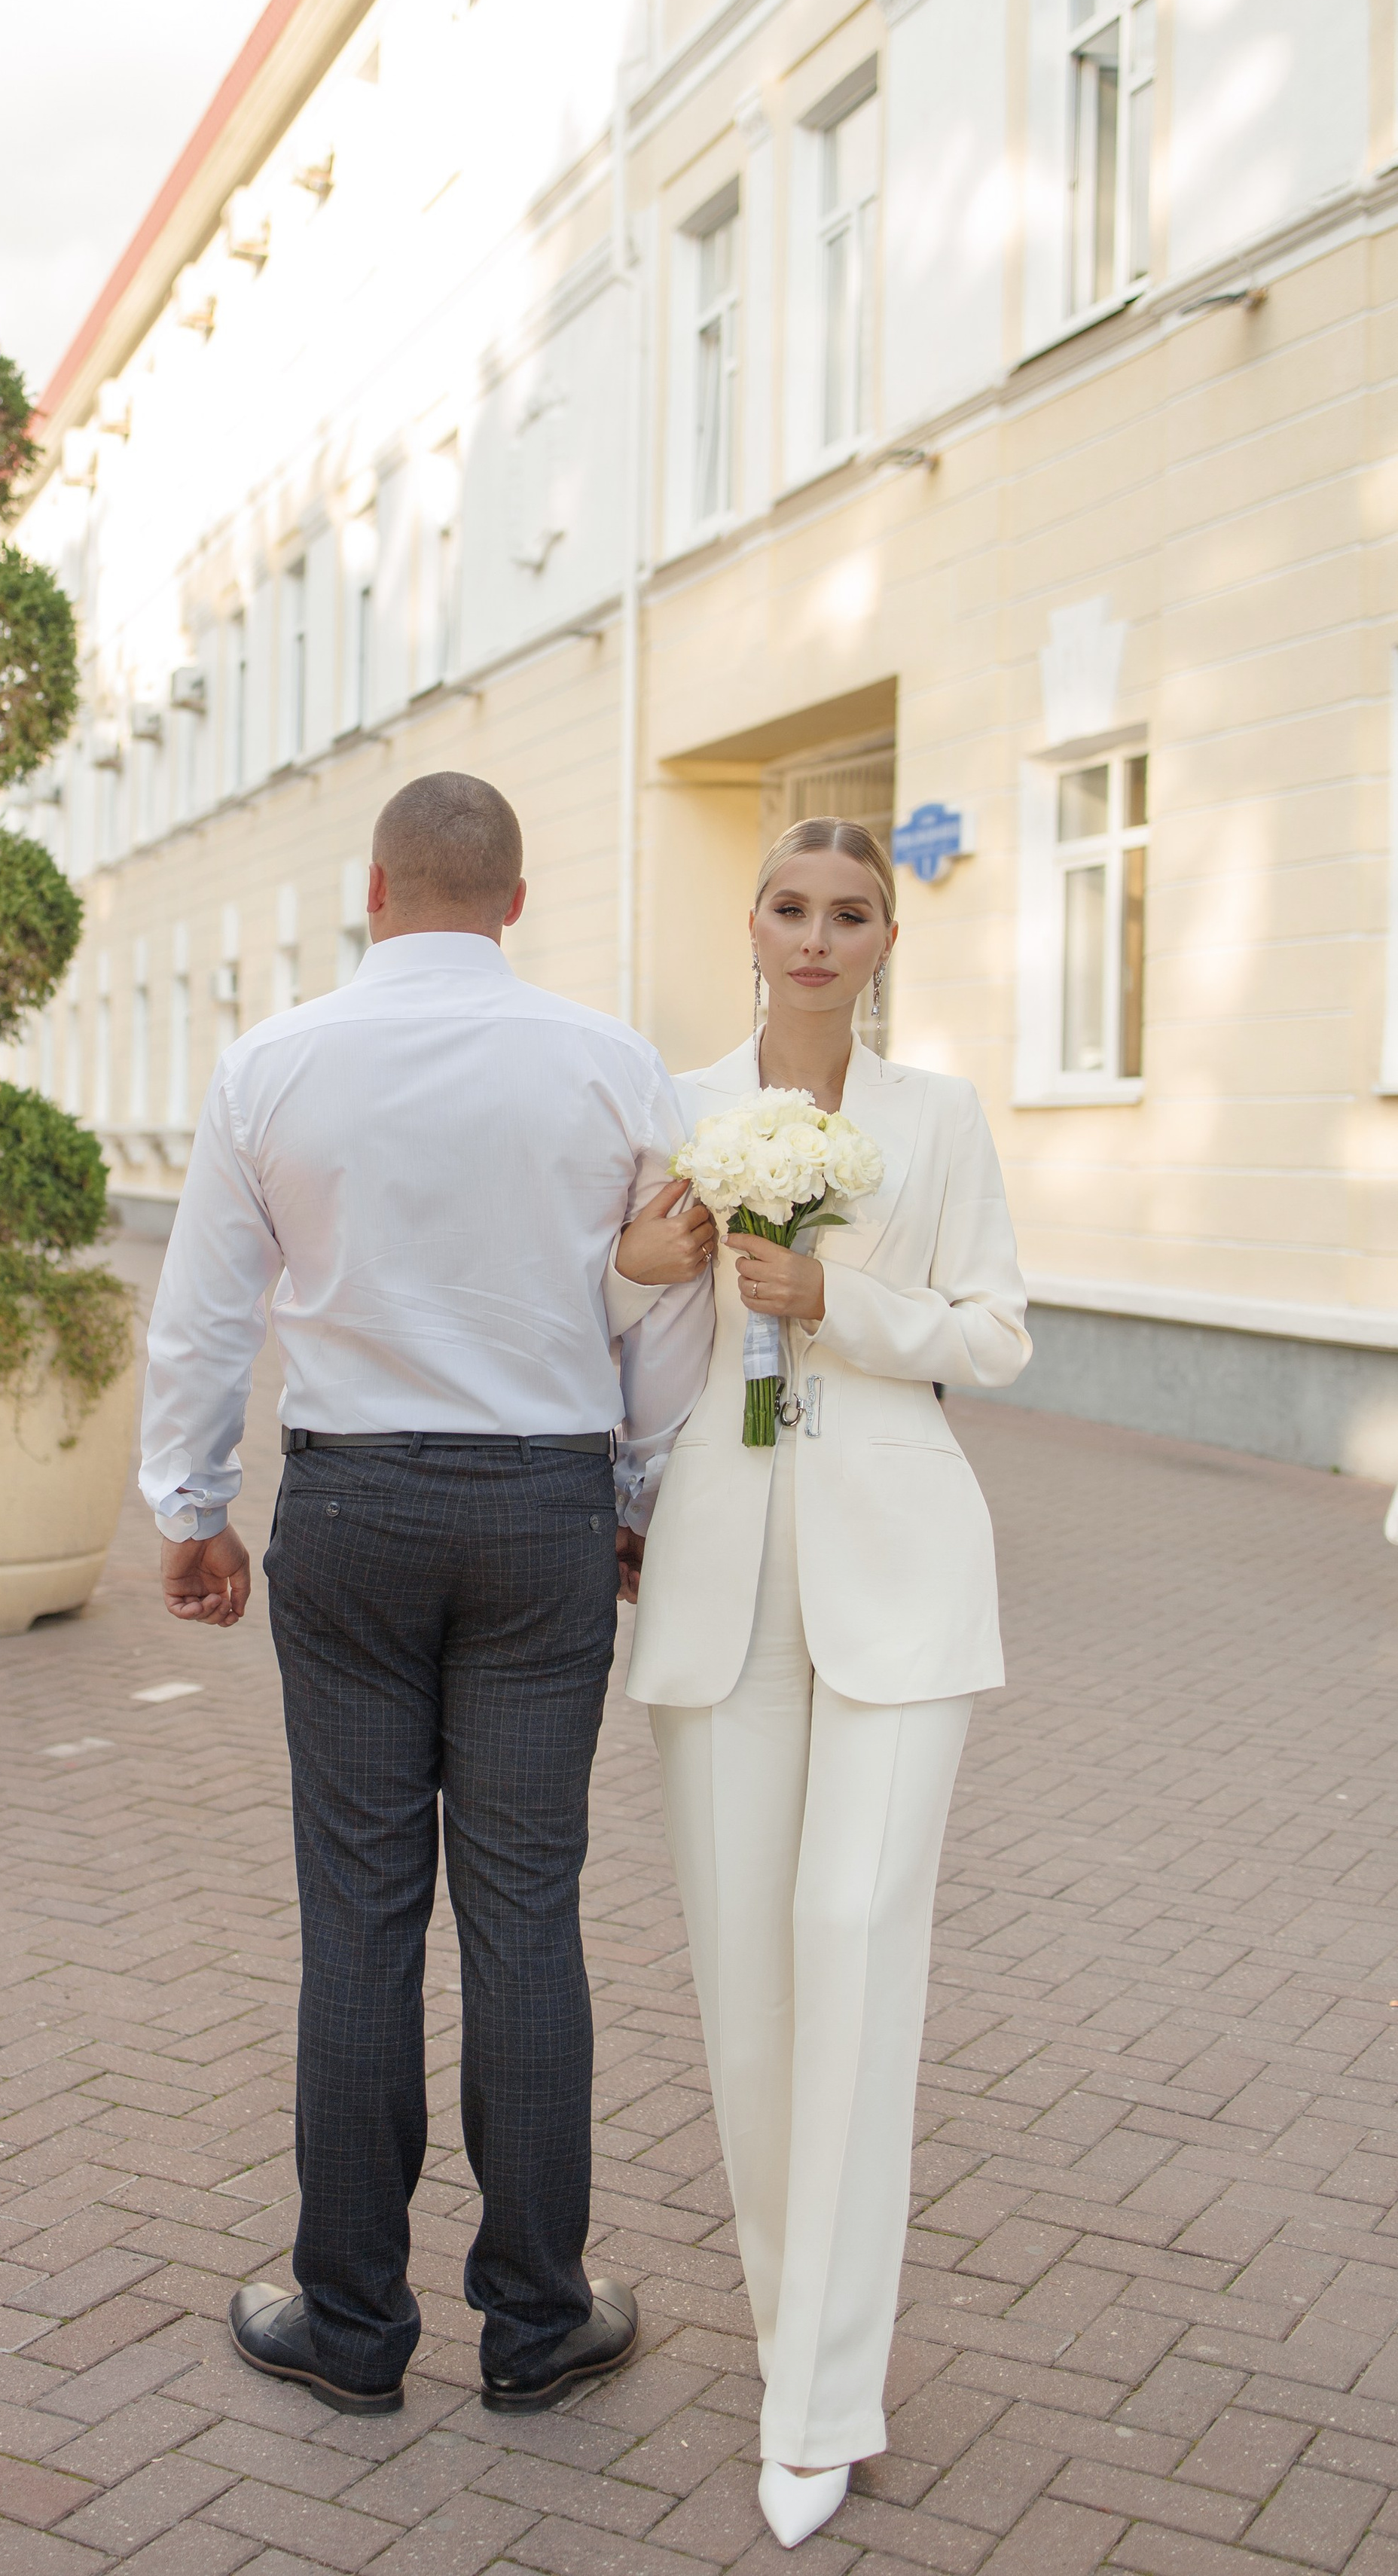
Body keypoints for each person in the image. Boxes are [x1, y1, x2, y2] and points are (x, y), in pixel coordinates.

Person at [140, 772, 712, 2418]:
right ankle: (536, 2323)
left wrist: (192, 1508)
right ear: (513, 903)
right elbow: (660, 1313)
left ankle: (350, 2321)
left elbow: (203, 1315)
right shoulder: (609, 1065)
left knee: (362, 1914)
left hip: (350, 1508)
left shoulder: (273, 1062)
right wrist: (636, 1496)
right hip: (538, 1510)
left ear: (372, 894)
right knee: (526, 1918)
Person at [609, 817, 1030, 2550]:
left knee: (854, 1934)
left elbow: (994, 1332)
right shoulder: (675, 1092)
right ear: (755, 921)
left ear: (879, 940)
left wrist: (837, 1299)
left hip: (903, 1570)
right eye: (787, 904)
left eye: (847, 912)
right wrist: (653, 1257)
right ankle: (796, 2349)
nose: (813, 932)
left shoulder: (934, 1118)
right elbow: (624, 1305)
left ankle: (820, 2403)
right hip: (720, 1572)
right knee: (746, 1995)